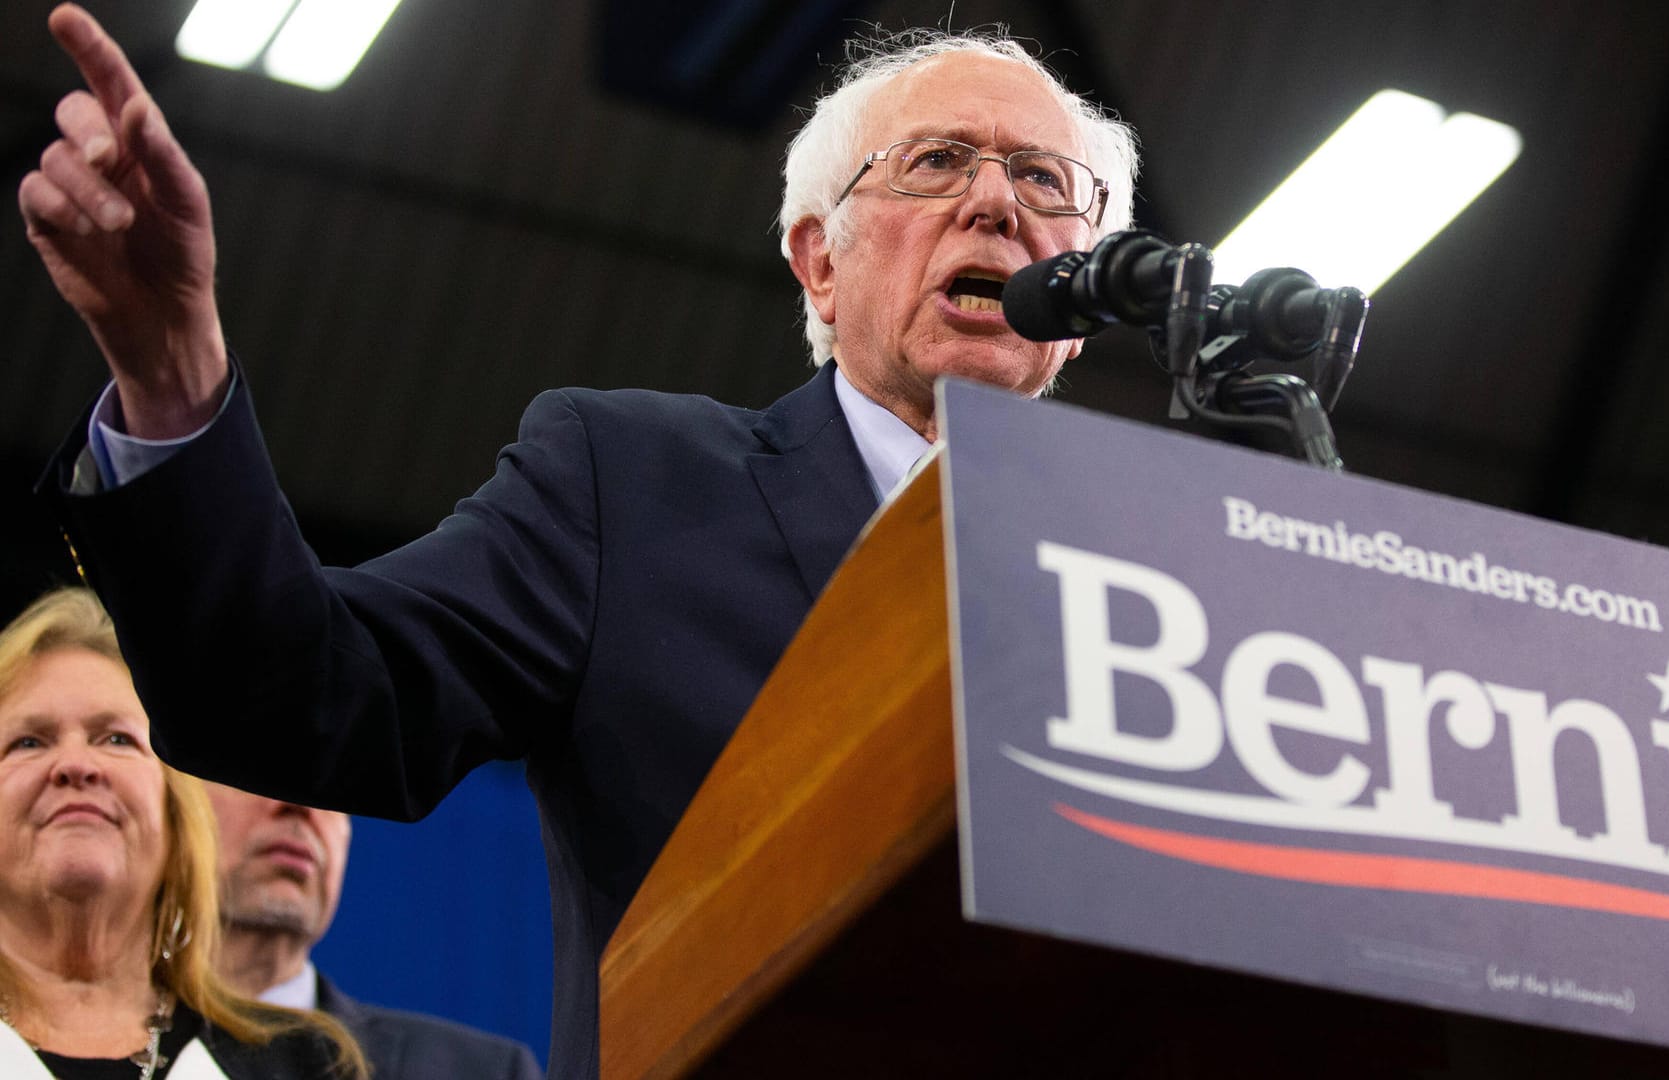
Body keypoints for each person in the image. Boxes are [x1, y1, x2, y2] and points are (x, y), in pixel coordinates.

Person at [20, 5, 1136, 1076]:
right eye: (938, 162)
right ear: (819, 263)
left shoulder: (1150, 586)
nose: (996, 203)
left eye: (1044, 180)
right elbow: (312, 691)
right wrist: (171, 375)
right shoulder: (636, 486)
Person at [0, 587, 367, 1079]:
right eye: (28, 741)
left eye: (116, 738)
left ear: (178, 815)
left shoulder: (305, 1063)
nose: (75, 764)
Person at [204, 782, 543, 1078]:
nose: (300, 804)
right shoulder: (152, 1045)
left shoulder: (484, 1074)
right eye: (251, 773)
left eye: (323, 783)